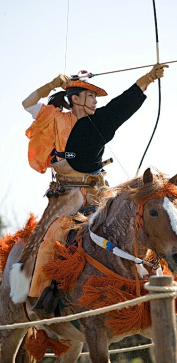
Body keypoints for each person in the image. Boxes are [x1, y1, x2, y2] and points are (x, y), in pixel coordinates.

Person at [10, 64, 168, 304]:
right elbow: (27, 103)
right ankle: (42, 295)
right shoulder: (55, 118)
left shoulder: (100, 122)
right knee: (52, 237)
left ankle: (152, 287)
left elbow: (122, 105)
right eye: (90, 96)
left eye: (96, 96)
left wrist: (147, 79)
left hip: (98, 192)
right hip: (66, 194)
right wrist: (51, 85)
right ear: (75, 99)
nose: (95, 101)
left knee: (131, 225)